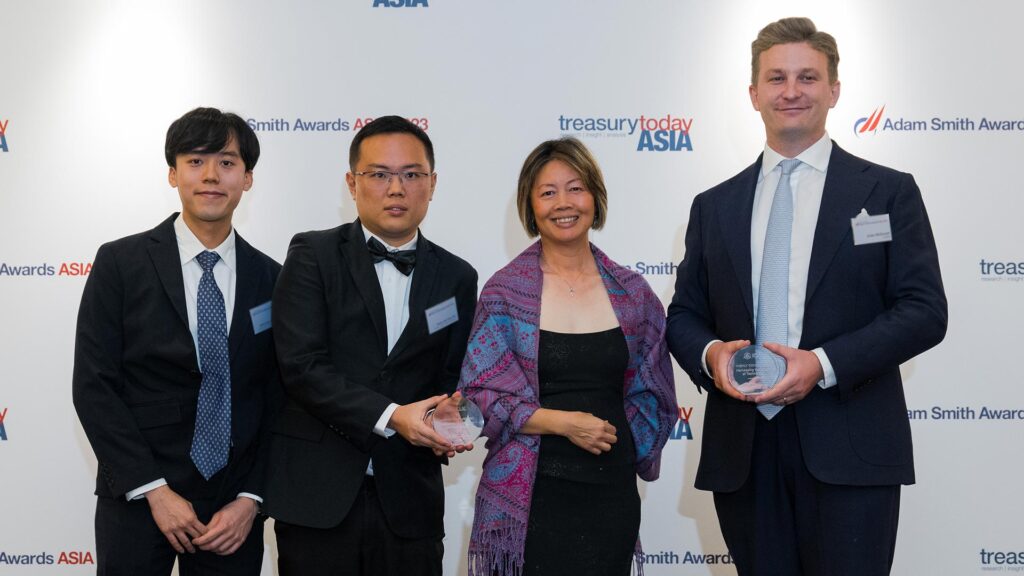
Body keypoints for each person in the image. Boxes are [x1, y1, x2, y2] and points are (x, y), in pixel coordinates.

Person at [666, 17, 947, 576]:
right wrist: (713, 355)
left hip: (851, 445)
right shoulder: (713, 205)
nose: (791, 91)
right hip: (744, 451)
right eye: (775, 78)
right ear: (753, 94)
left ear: (834, 89)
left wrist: (820, 365)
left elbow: (923, 311)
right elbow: (684, 315)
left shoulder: (888, 191)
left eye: (807, 77)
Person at [264, 115, 478, 576]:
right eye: (379, 174)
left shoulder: (458, 277)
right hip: (318, 499)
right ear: (352, 182)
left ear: (433, 183)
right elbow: (301, 366)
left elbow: (451, 376)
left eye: (411, 175)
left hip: (410, 503)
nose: (396, 189)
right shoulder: (312, 256)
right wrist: (393, 416)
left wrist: (451, 419)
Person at [72, 107, 282, 575]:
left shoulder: (273, 278)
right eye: (195, 161)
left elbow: (279, 397)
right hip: (139, 497)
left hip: (231, 511)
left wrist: (251, 499)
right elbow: (94, 386)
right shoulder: (120, 263)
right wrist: (153, 489)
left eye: (227, 163)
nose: (211, 176)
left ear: (247, 178)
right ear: (172, 173)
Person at [458, 137, 677, 576]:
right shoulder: (505, 293)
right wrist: (565, 423)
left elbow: (655, 393)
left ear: (595, 196)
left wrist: (624, 446)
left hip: (609, 494)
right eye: (548, 191)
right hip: (531, 497)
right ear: (530, 204)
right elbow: (480, 396)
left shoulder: (633, 294)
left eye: (575, 188)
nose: (564, 203)